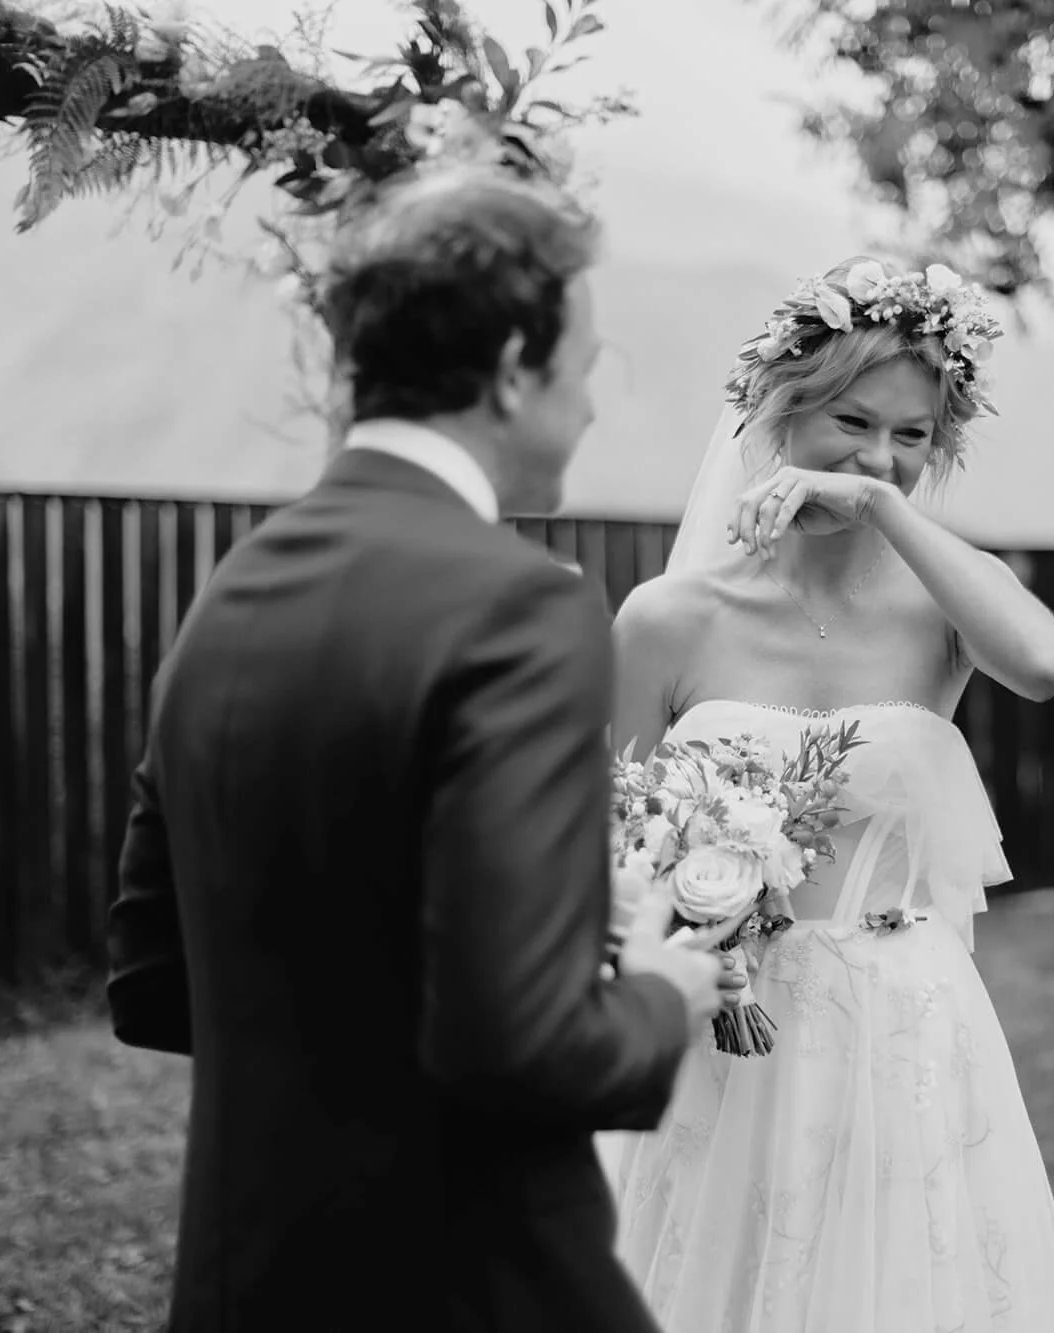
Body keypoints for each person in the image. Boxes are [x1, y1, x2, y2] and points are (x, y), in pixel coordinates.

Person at [103, 168, 740, 1332]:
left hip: (251, 1284)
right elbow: (523, 1052)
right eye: (585, 366)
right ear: (513, 367)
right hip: (467, 1282)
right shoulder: (518, 605)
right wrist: (659, 992)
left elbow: (154, 985)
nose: (591, 408)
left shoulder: (234, 590)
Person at [599, 256, 1054, 1332]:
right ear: (778, 413)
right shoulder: (667, 617)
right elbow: (614, 841)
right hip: (724, 1021)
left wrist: (879, 505)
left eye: (912, 436)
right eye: (851, 423)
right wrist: (691, 920)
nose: (879, 455)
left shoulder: (942, 604)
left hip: (902, 1021)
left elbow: (1045, 664)